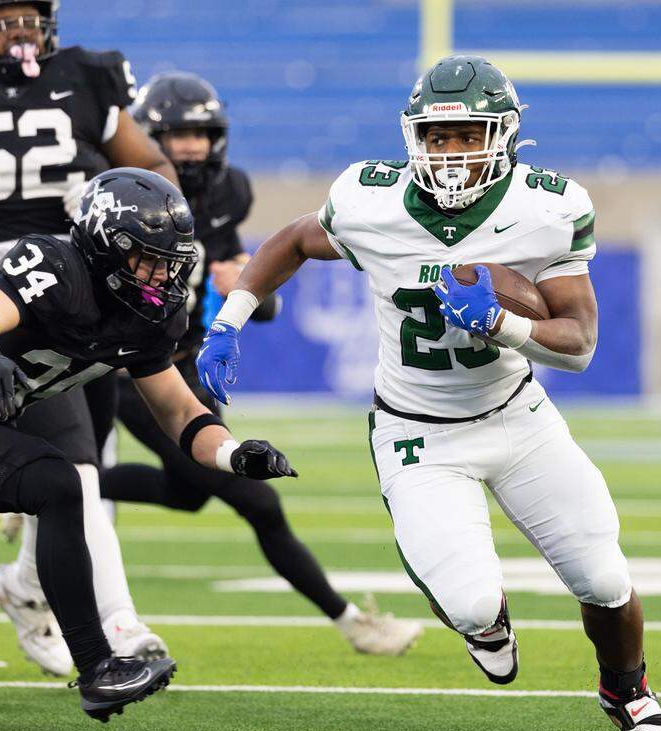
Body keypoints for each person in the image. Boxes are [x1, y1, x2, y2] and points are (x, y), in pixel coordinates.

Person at [196, 55, 661, 731]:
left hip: (518, 419)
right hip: (418, 432)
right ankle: (486, 622)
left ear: (504, 135)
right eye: (437, 135)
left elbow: (578, 345)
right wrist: (228, 322)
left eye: (467, 134)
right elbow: (295, 239)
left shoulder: (546, 209)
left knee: (603, 576)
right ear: (413, 137)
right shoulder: (371, 202)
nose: (451, 151)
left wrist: (502, 323)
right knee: (472, 603)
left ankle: (627, 690)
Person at [0, 167, 296, 722]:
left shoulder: (148, 316)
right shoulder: (55, 264)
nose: (162, 276)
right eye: (148, 260)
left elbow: (178, 411)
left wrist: (233, 454)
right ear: (106, 245)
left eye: (171, 263)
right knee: (58, 483)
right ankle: (98, 665)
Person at [84, 72, 423, 655]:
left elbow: (259, 304)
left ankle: (68, 484)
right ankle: (352, 623)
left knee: (189, 493)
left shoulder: (227, 193)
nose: (192, 147)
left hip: (181, 361)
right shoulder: (117, 195)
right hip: (132, 371)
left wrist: (244, 286)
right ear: (147, 139)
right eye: (178, 135)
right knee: (257, 500)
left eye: (201, 134)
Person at [0, 0, 179, 674]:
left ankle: (29, 588)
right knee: (73, 463)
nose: (18, 32)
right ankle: (118, 623)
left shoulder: (85, 75)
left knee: (80, 459)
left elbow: (154, 171)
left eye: (27, 16)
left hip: (72, 274)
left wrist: (105, 195)